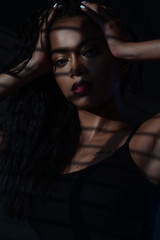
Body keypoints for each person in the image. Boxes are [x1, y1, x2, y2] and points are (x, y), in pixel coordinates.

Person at [0, 1, 160, 239]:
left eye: (90, 51)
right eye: (60, 61)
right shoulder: (42, 151)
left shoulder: (145, 144)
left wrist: (130, 50)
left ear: (121, 61)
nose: (75, 68)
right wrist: (30, 66)